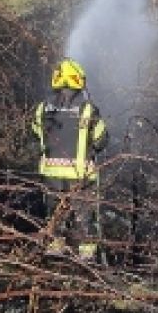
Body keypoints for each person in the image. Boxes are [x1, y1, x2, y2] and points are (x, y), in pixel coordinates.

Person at [31, 58, 108, 260]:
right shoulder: (88, 109)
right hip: (80, 177)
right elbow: (101, 141)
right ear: (79, 81)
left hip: (51, 176)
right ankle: (87, 261)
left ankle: (56, 256)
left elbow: (35, 134)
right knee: (85, 219)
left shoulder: (42, 108)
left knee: (55, 216)